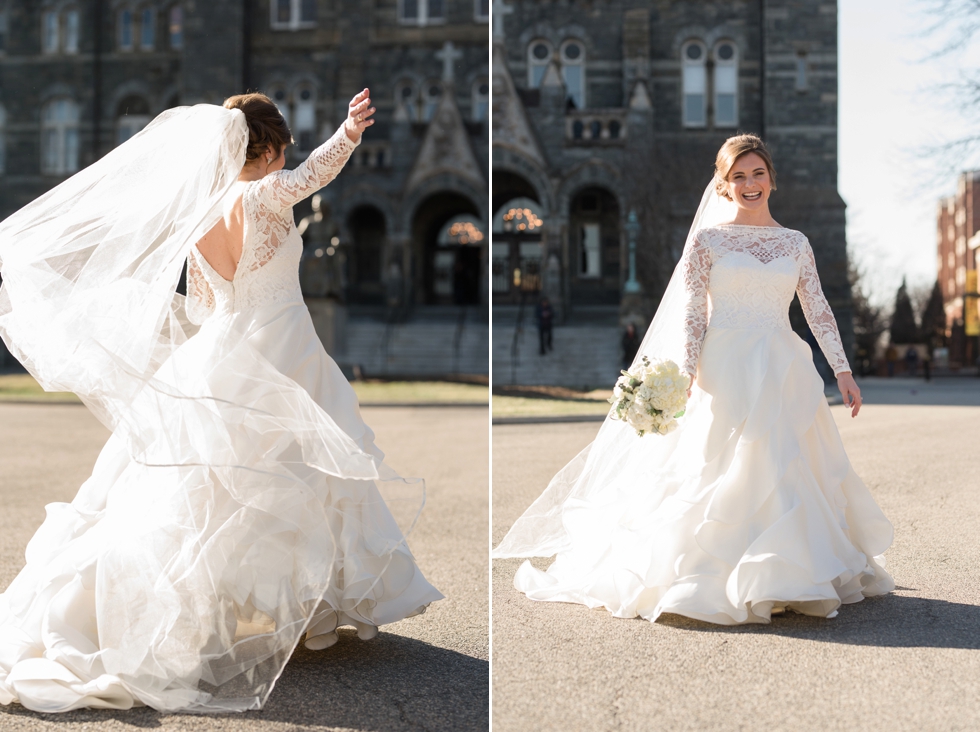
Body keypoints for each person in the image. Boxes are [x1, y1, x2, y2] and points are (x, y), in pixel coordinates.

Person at [0, 91, 442, 713]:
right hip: (283, 352)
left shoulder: (200, 218)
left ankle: (247, 611)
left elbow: (206, 308)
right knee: (300, 478)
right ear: (267, 150)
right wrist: (347, 131)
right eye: (281, 148)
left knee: (221, 491)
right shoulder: (262, 195)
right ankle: (302, 605)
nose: (286, 159)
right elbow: (315, 173)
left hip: (222, 352)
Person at [494, 134, 894, 626]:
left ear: (771, 178)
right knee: (722, 464)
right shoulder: (708, 242)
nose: (750, 184)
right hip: (723, 363)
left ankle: (787, 571)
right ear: (724, 186)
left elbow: (817, 309)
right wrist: (685, 371)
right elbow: (690, 312)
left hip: (783, 362)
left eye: (757, 173)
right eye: (738, 176)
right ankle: (713, 571)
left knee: (783, 461)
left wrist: (842, 369)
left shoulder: (796, 243)